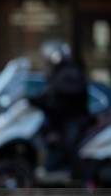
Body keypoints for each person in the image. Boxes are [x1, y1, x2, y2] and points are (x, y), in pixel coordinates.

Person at [29, 40, 89, 173]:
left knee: (71, 146)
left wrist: (42, 100)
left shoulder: (69, 72)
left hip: (73, 118)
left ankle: (80, 177)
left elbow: (58, 94)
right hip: (61, 119)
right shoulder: (58, 73)